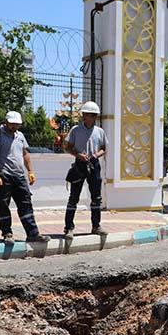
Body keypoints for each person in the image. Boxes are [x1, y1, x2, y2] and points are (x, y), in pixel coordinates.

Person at [0, 111, 50, 245]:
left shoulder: (20, 136)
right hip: (4, 175)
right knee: (3, 205)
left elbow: (25, 153)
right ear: (6, 122)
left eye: (17, 125)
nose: (14, 127)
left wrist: (30, 171)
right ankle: (7, 233)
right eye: (12, 124)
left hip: (19, 176)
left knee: (26, 204)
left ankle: (33, 233)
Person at [63, 101, 107, 239]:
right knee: (73, 197)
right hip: (79, 166)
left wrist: (95, 155)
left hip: (94, 166)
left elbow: (104, 149)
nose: (92, 117)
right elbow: (68, 147)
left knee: (96, 198)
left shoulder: (100, 131)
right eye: (89, 115)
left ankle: (96, 226)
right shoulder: (75, 130)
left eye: (94, 115)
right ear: (84, 115)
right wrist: (78, 155)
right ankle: (69, 227)